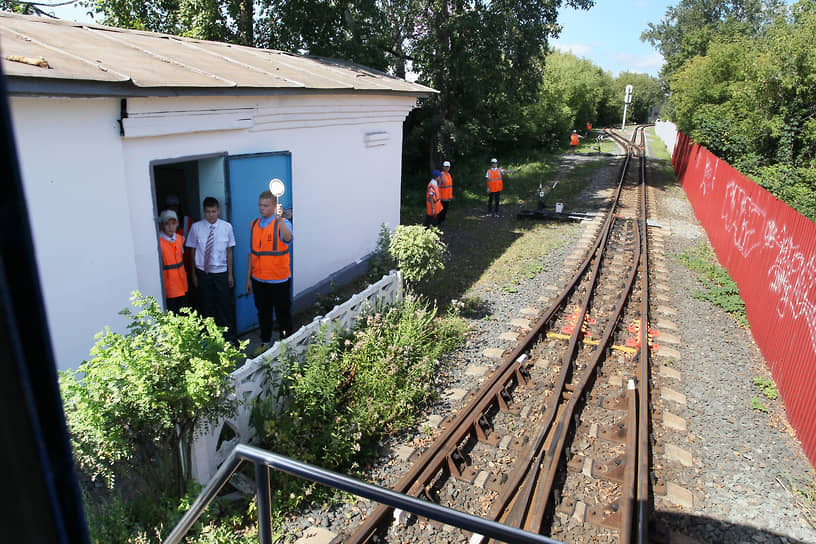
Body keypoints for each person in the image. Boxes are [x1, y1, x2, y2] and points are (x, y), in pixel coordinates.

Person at [245, 190, 293, 352]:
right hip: (258, 280)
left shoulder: (283, 223)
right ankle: (265, 343)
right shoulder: (254, 224)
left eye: (265, 206)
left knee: (282, 314)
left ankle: (285, 345)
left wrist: (279, 220)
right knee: (263, 314)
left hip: (279, 280)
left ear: (274, 206)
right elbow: (252, 254)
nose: (261, 208)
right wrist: (248, 279)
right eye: (260, 205)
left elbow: (287, 239)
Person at [185, 197, 236, 341]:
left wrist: (230, 275)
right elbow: (193, 251)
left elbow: (229, 251)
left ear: (218, 211)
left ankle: (228, 337)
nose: (211, 215)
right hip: (203, 273)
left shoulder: (227, 227)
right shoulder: (196, 228)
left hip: (221, 272)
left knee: (224, 305)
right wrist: (194, 275)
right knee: (206, 306)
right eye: (208, 212)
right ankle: (209, 337)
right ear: (204, 211)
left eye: (213, 211)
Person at [158, 209, 188, 313]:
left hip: (182, 284)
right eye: (167, 224)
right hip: (169, 286)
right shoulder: (158, 241)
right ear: (162, 225)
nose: (171, 227)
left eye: (173, 223)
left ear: (177, 224)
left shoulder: (180, 238)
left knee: (184, 313)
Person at [437, 160, 453, 225]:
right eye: (446, 167)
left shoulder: (449, 175)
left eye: (448, 167)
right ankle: (439, 221)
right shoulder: (441, 175)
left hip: (448, 196)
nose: (447, 168)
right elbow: (438, 185)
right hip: (442, 196)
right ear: (443, 167)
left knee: (445, 209)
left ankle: (443, 220)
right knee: (441, 210)